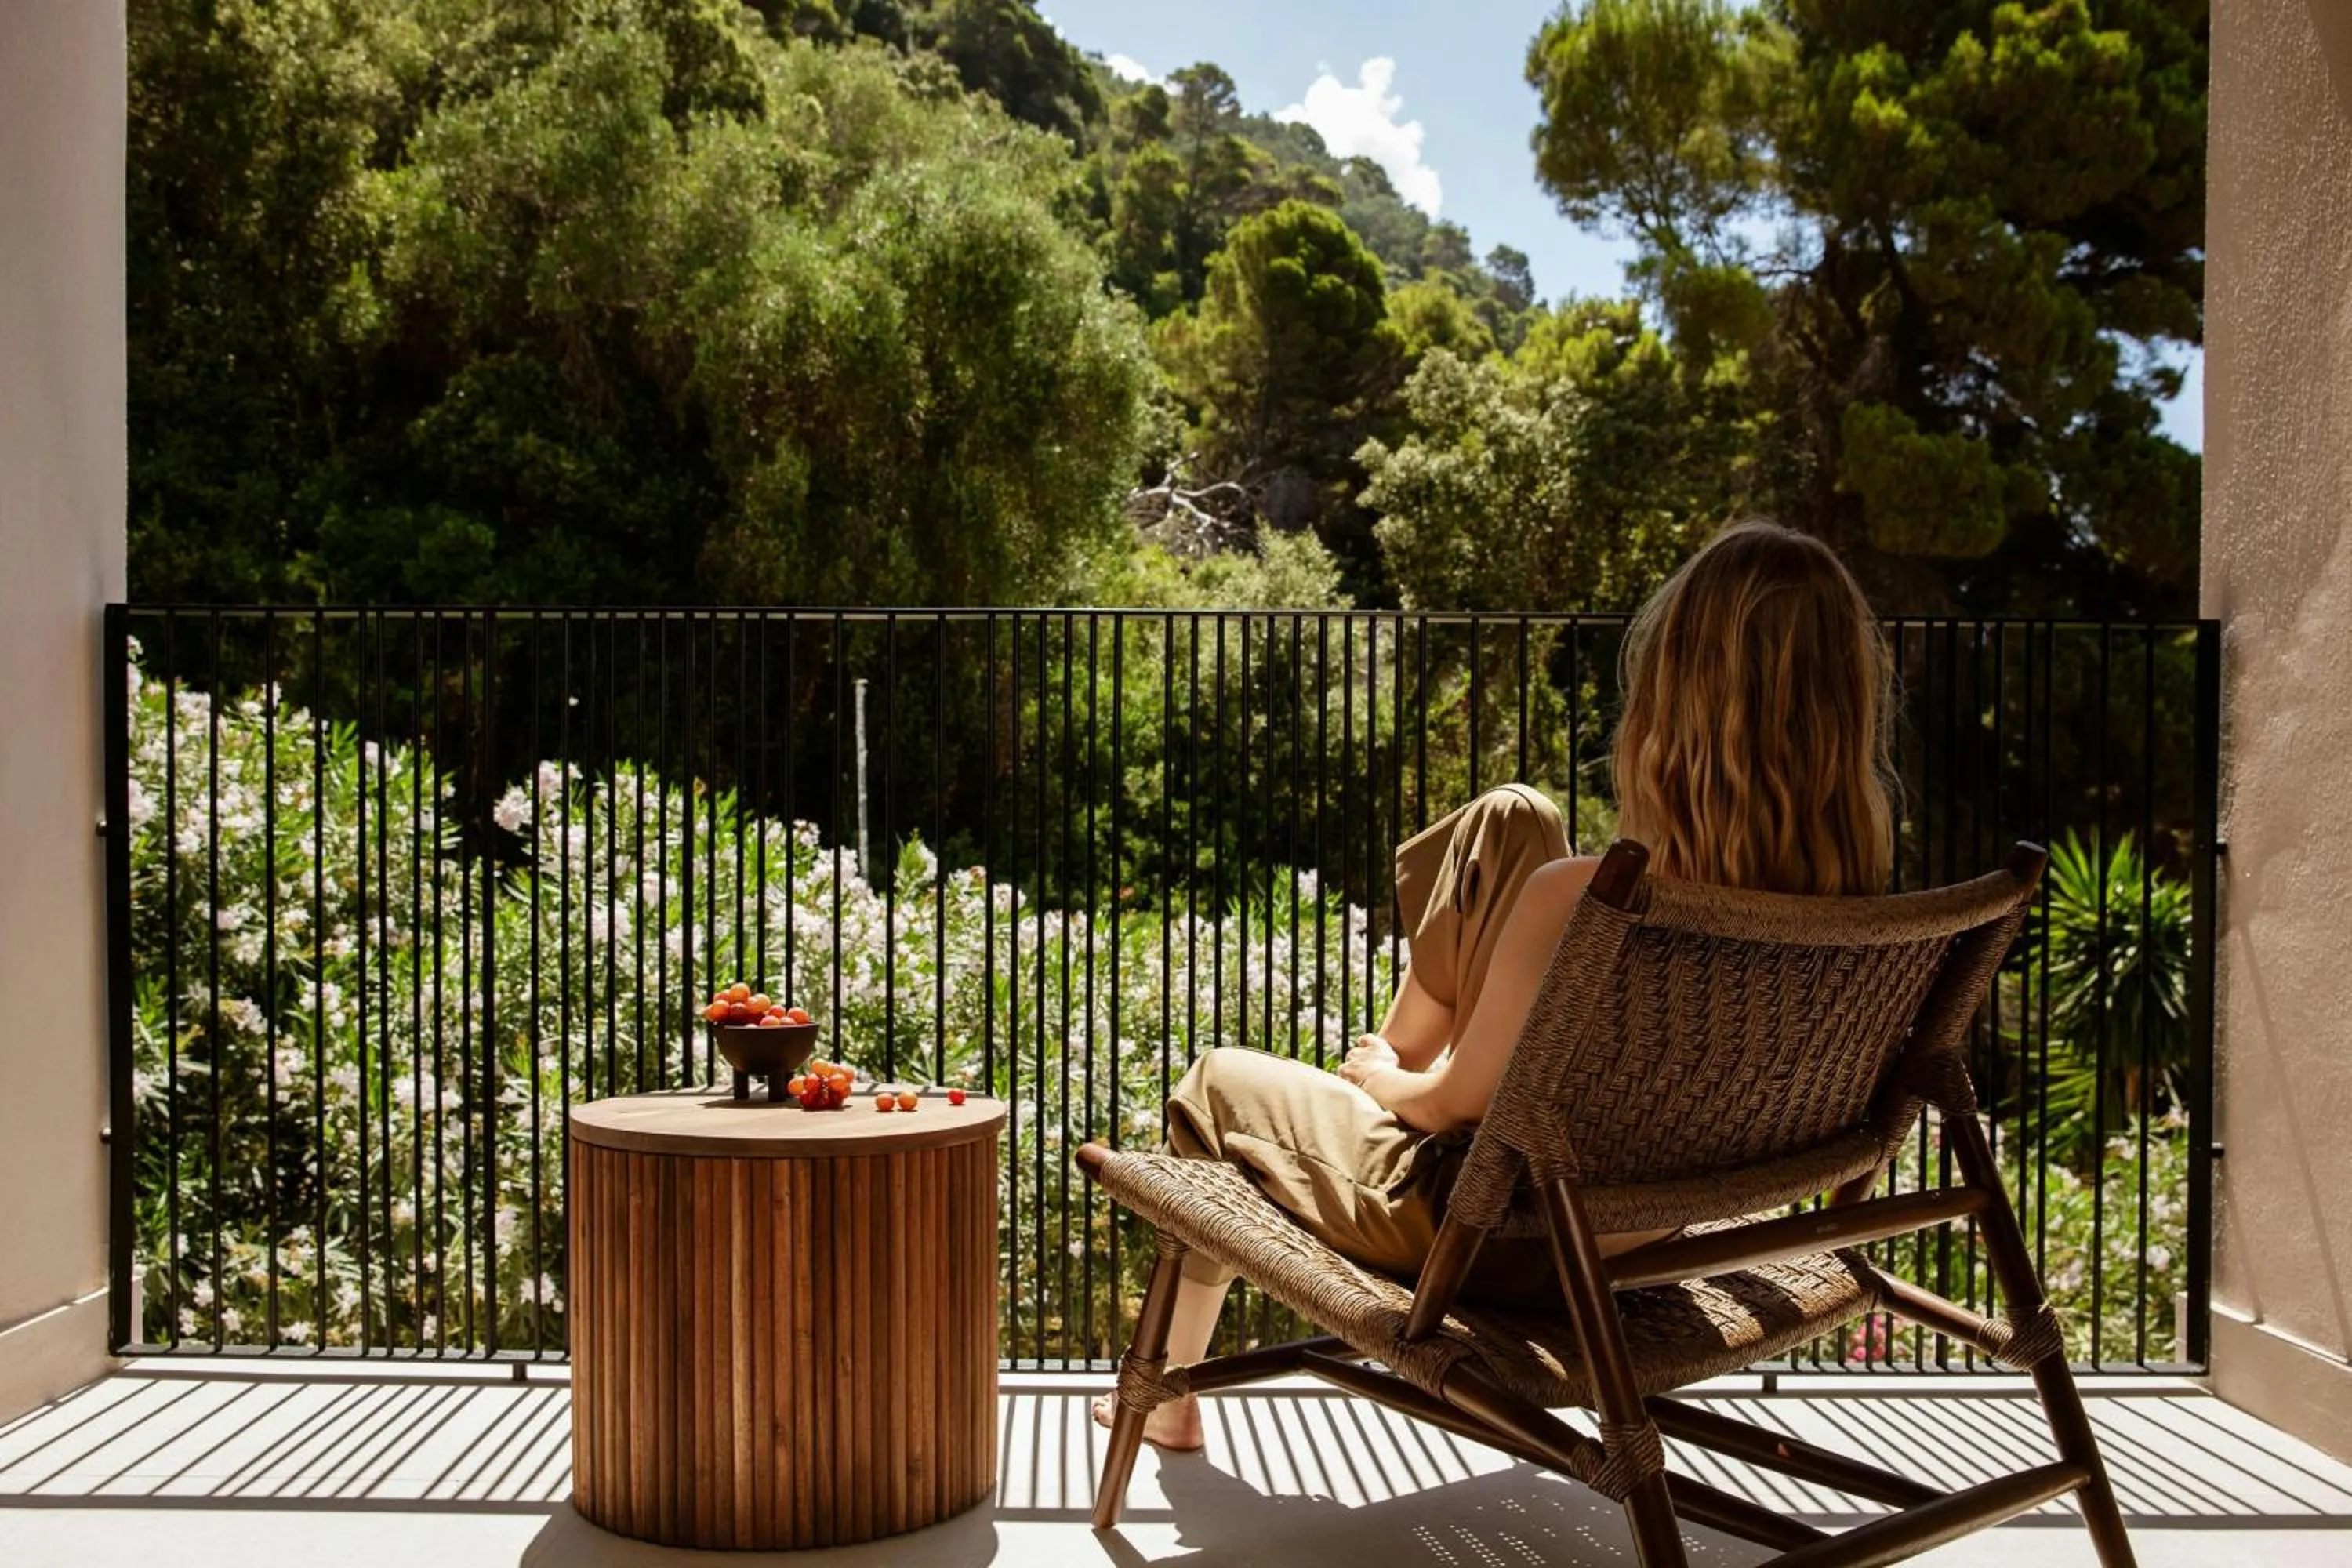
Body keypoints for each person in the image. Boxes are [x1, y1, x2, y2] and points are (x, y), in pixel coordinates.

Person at [1094, 519, 1899, 1450]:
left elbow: (1450, 1106)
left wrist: (1378, 1083)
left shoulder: (1590, 901)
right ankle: (1393, 1040)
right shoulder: (1858, 925)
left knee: (1214, 1082)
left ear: (1671, 702)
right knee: (1513, 817)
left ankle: (1168, 1400)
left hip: (1494, 1230)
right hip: (1641, 1223)